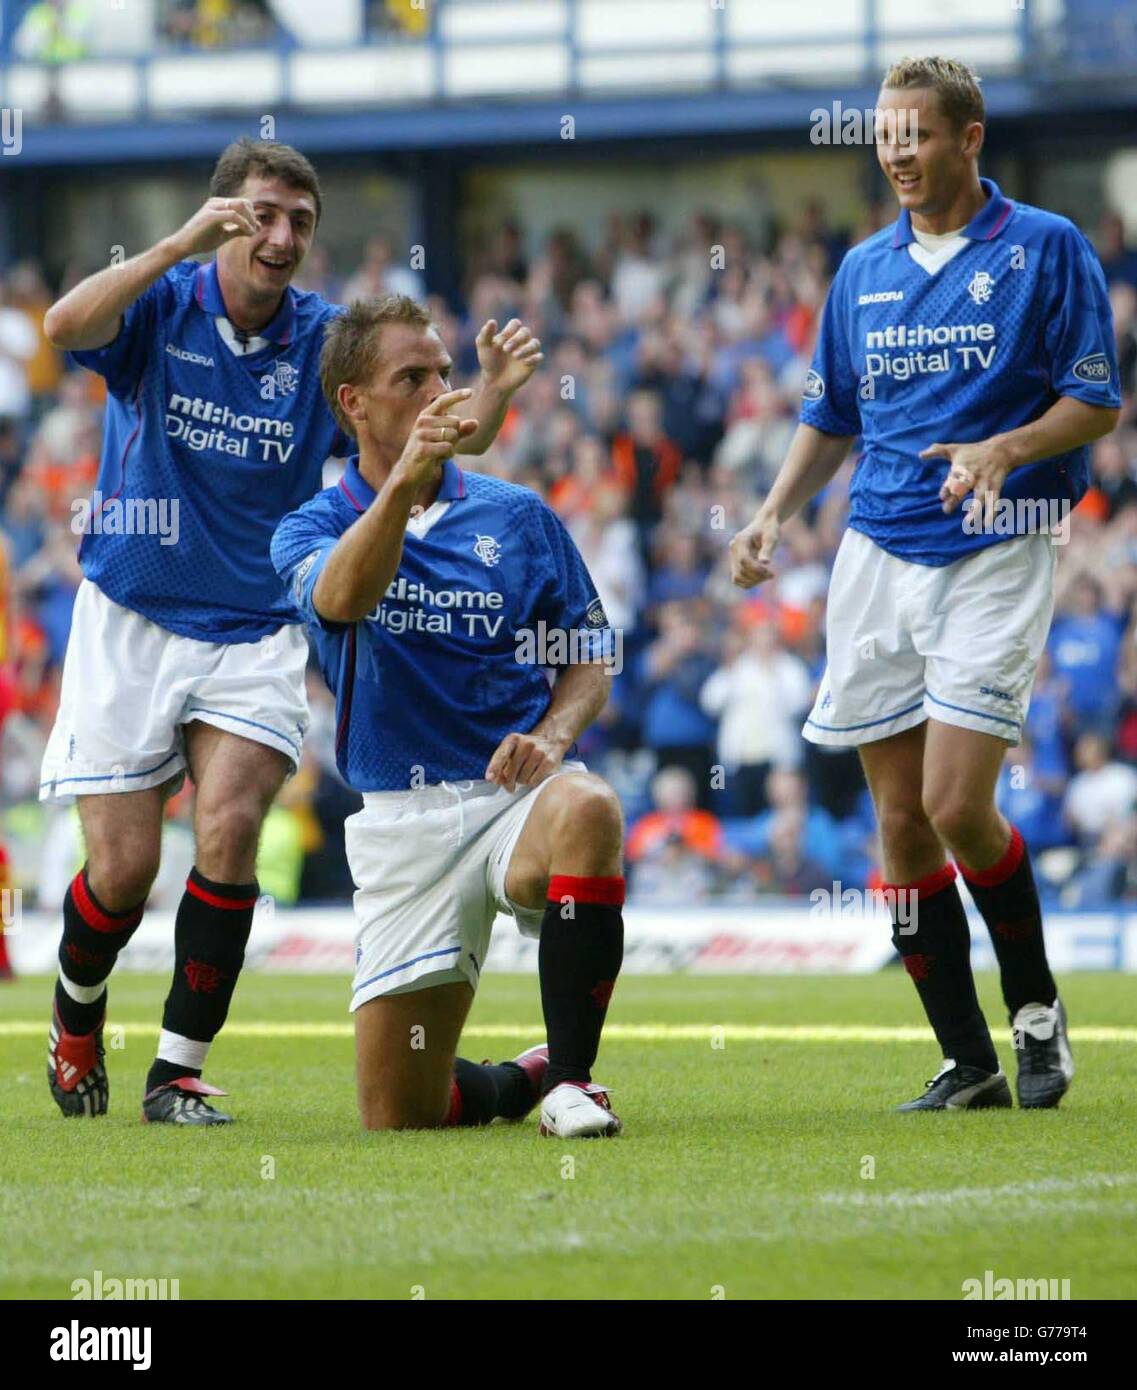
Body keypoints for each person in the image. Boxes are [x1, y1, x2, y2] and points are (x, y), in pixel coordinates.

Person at [40, 138, 530, 1125]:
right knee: (124, 873)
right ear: (225, 216)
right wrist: (174, 245)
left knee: (228, 829)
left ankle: (175, 1072)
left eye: (300, 222)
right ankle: (77, 1018)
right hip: (131, 614)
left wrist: (496, 392)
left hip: (255, 627)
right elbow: (63, 325)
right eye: (262, 214)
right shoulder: (165, 303)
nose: (281, 236)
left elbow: (423, 427)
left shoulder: (322, 343)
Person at [729, 56, 1120, 1110]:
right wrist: (772, 512)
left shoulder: (1047, 248)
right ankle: (969, 1059)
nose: (898, 152)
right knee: (898, 823)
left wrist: (1002, 449)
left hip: (998, 541)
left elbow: (1096, 403)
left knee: (957, 803)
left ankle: (1036, 1011)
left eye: (918, 134)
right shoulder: (862, 271)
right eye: (885, 136)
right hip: (875, 550)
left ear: (970, 136)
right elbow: (830, 414)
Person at [272, 297, 627, 1138]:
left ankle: (576, 1081)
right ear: (355, 403)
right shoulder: (309, 527)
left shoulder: (517, 515)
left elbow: (589, 654)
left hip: (513, 799)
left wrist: (552, 735)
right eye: (412, 377)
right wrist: (400, 484)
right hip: (403, 824)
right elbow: (343, 598)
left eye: (443, 371)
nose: (438, 390)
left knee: (590, 807)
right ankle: (526, 1077)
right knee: (400, 1113)